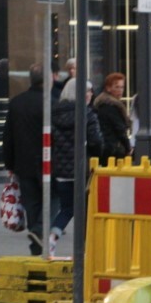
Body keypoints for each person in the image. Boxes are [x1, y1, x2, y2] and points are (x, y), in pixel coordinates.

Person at [48, 85, 103, 256]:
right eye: (87, 91)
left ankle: (52, 237)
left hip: (61, 171)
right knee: (87, 210)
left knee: (67, 208)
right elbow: (96, 141)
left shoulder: (53, 114)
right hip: (82, 171)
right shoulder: (86, 114)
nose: (90, 94)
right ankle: (85, 249)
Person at [2, 63, 47, 256]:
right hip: (47, 161)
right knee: (50, 199)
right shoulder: (50, 102)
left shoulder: (16, 103)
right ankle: (38, 229)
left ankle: (35, 241)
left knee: (31, 202)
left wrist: (9, 163)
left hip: (23, 161)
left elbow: (8, 136)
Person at [93, 72, 132, 161]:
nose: (120, 90)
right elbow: (120, 129)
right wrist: (128, 147)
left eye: (122, 87)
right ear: (108, 88)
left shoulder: (101, 104)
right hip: (113, 149)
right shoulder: (111, 106)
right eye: (117, 87)